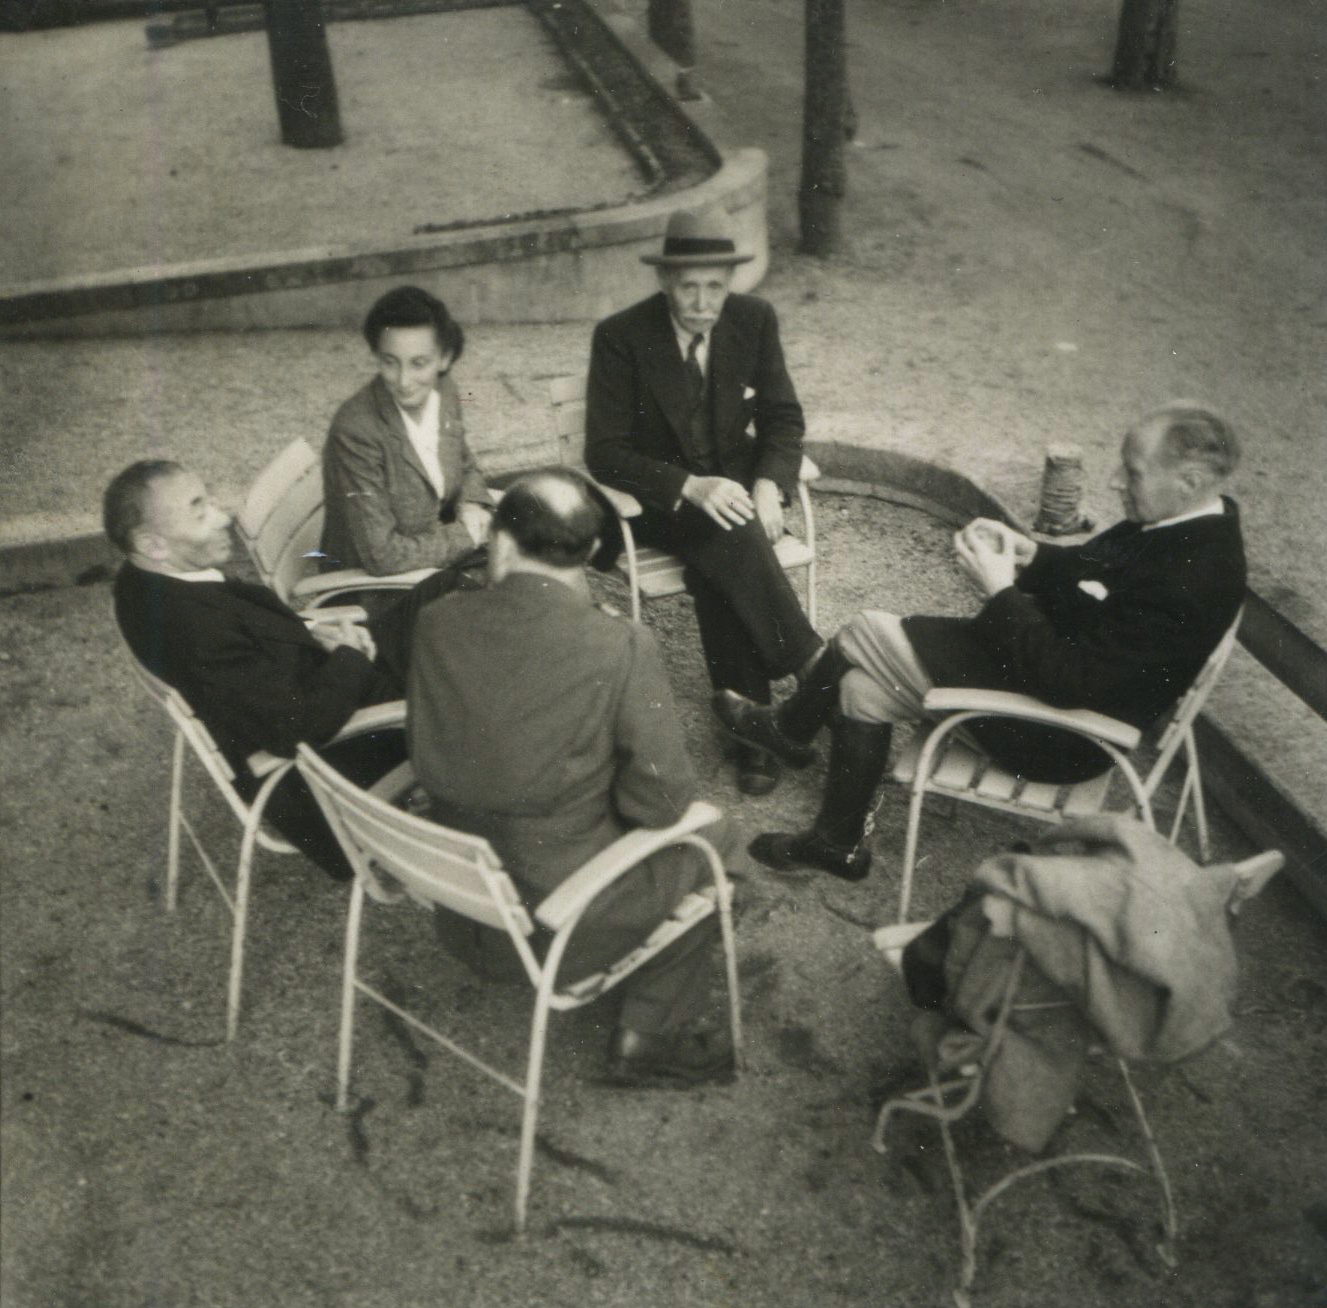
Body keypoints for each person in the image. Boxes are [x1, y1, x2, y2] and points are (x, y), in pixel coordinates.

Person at [718, 402, 1247, 881]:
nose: (1114, 482)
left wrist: (1000, 592)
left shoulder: (1193, 578)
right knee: (861, 688)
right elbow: (1093, 570)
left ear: (1189, 481)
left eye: (1132, 471)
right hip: (1046, 670)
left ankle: (789, 730)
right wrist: (1028, 554)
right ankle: (836, 844)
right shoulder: (1180, 522)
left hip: (1062, 732)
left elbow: (1071, 682)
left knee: (865, 631)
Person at [407, 469, 736, 1088]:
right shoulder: (620, 645)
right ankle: (648, 1034)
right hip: (556, 923)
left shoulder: (436, 620)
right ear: (592, 551)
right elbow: (663, 804)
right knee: (716, 838)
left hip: (457, 900)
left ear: (501, 542)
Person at [584, 208, 823, 797]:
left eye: (715, 286)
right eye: (688, 286)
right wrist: (691, 487)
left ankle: (753, 729)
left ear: (730, 282)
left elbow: (783, 419)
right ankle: (815, 675)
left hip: (736, 494)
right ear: (665, 281)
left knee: (722, 555)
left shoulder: (753, 320)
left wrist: (769, 485)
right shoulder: (621, 336)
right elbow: (605, 452)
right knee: (731, 530)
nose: (702, 302)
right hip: (658, 502)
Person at [107, 459, 415, 881]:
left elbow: (251, 646)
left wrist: (314, 632)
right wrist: (350, 657)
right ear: (153, 544)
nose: (224, 517)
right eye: (200, 512)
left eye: (209, 501)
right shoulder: (198, 632)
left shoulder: (144, 581)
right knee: (476, 663)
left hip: (322, 678)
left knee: (443, 598)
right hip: (343, 754)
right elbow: (297, 728)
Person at [320, 285, 494, 578]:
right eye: (390, 362)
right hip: (379, 587)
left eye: (418, 364)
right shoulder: (356, 431)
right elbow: (382, 556)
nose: (403, 381)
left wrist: (473, 505)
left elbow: (464, 465)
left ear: (444, 359)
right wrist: (468, 536)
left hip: (436, 561)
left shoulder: (445, 391)